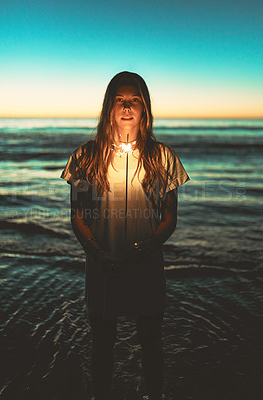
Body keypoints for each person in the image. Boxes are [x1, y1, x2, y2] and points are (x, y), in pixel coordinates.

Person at [60, 71, 189, 400]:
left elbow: (170, 217)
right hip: (102, 264)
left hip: (146, 263)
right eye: (121, 100)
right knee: (102, 344)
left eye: (135, 100)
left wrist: (151, 245)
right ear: (109, 107)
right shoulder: (86, 156)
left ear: (145, 107)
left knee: (150, 342)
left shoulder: (162, 157)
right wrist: (94, 250)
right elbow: (78, 215)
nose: (127, 106)